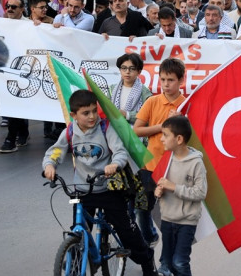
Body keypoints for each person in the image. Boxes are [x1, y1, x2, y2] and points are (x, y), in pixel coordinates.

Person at [42, 90, 157, 276]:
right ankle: (77, 263)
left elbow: (119, 151)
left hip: (107, 190)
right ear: (74, 115)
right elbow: (56, 151)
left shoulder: (106, 128)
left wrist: (114, 164)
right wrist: (50, 165)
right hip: (81, 191)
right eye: (85, 113)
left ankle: (146, 261)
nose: (92, 116)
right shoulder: (70, 131)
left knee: (127, 232)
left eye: (94, 111)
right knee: (79, 230)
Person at [133, 58, 186, 248]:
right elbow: (137, 130)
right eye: (163, 79)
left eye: (170, 80)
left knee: (172, 215)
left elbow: (194, 139)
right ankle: (149, 238)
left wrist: (181, 122)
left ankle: (171, 252)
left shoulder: (186, 105)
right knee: (142, 209)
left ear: (181, 80)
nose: (166, 84)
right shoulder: (152, 101)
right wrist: (161, 126)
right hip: (150, 165)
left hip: (175, 169)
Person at [154, 116, 206, 276]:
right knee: (167, 263)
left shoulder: (196, 162)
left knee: (180, 261)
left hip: (186, 221)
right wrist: (159, 190)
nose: (161, 139)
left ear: (179, 139)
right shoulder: (167, 158)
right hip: (168, 219)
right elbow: (161, 183)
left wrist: (174, 187)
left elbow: (200, 192)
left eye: (165, 135)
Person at [110, 53, 152, 125]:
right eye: (124, 68)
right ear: (120, 70)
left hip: (135, 133)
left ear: (139, 72)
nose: (127, 72)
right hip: (113, 130)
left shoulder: (145, 92)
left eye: (132, 69)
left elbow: (149, 117)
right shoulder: (112, 89)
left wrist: (127, 115)